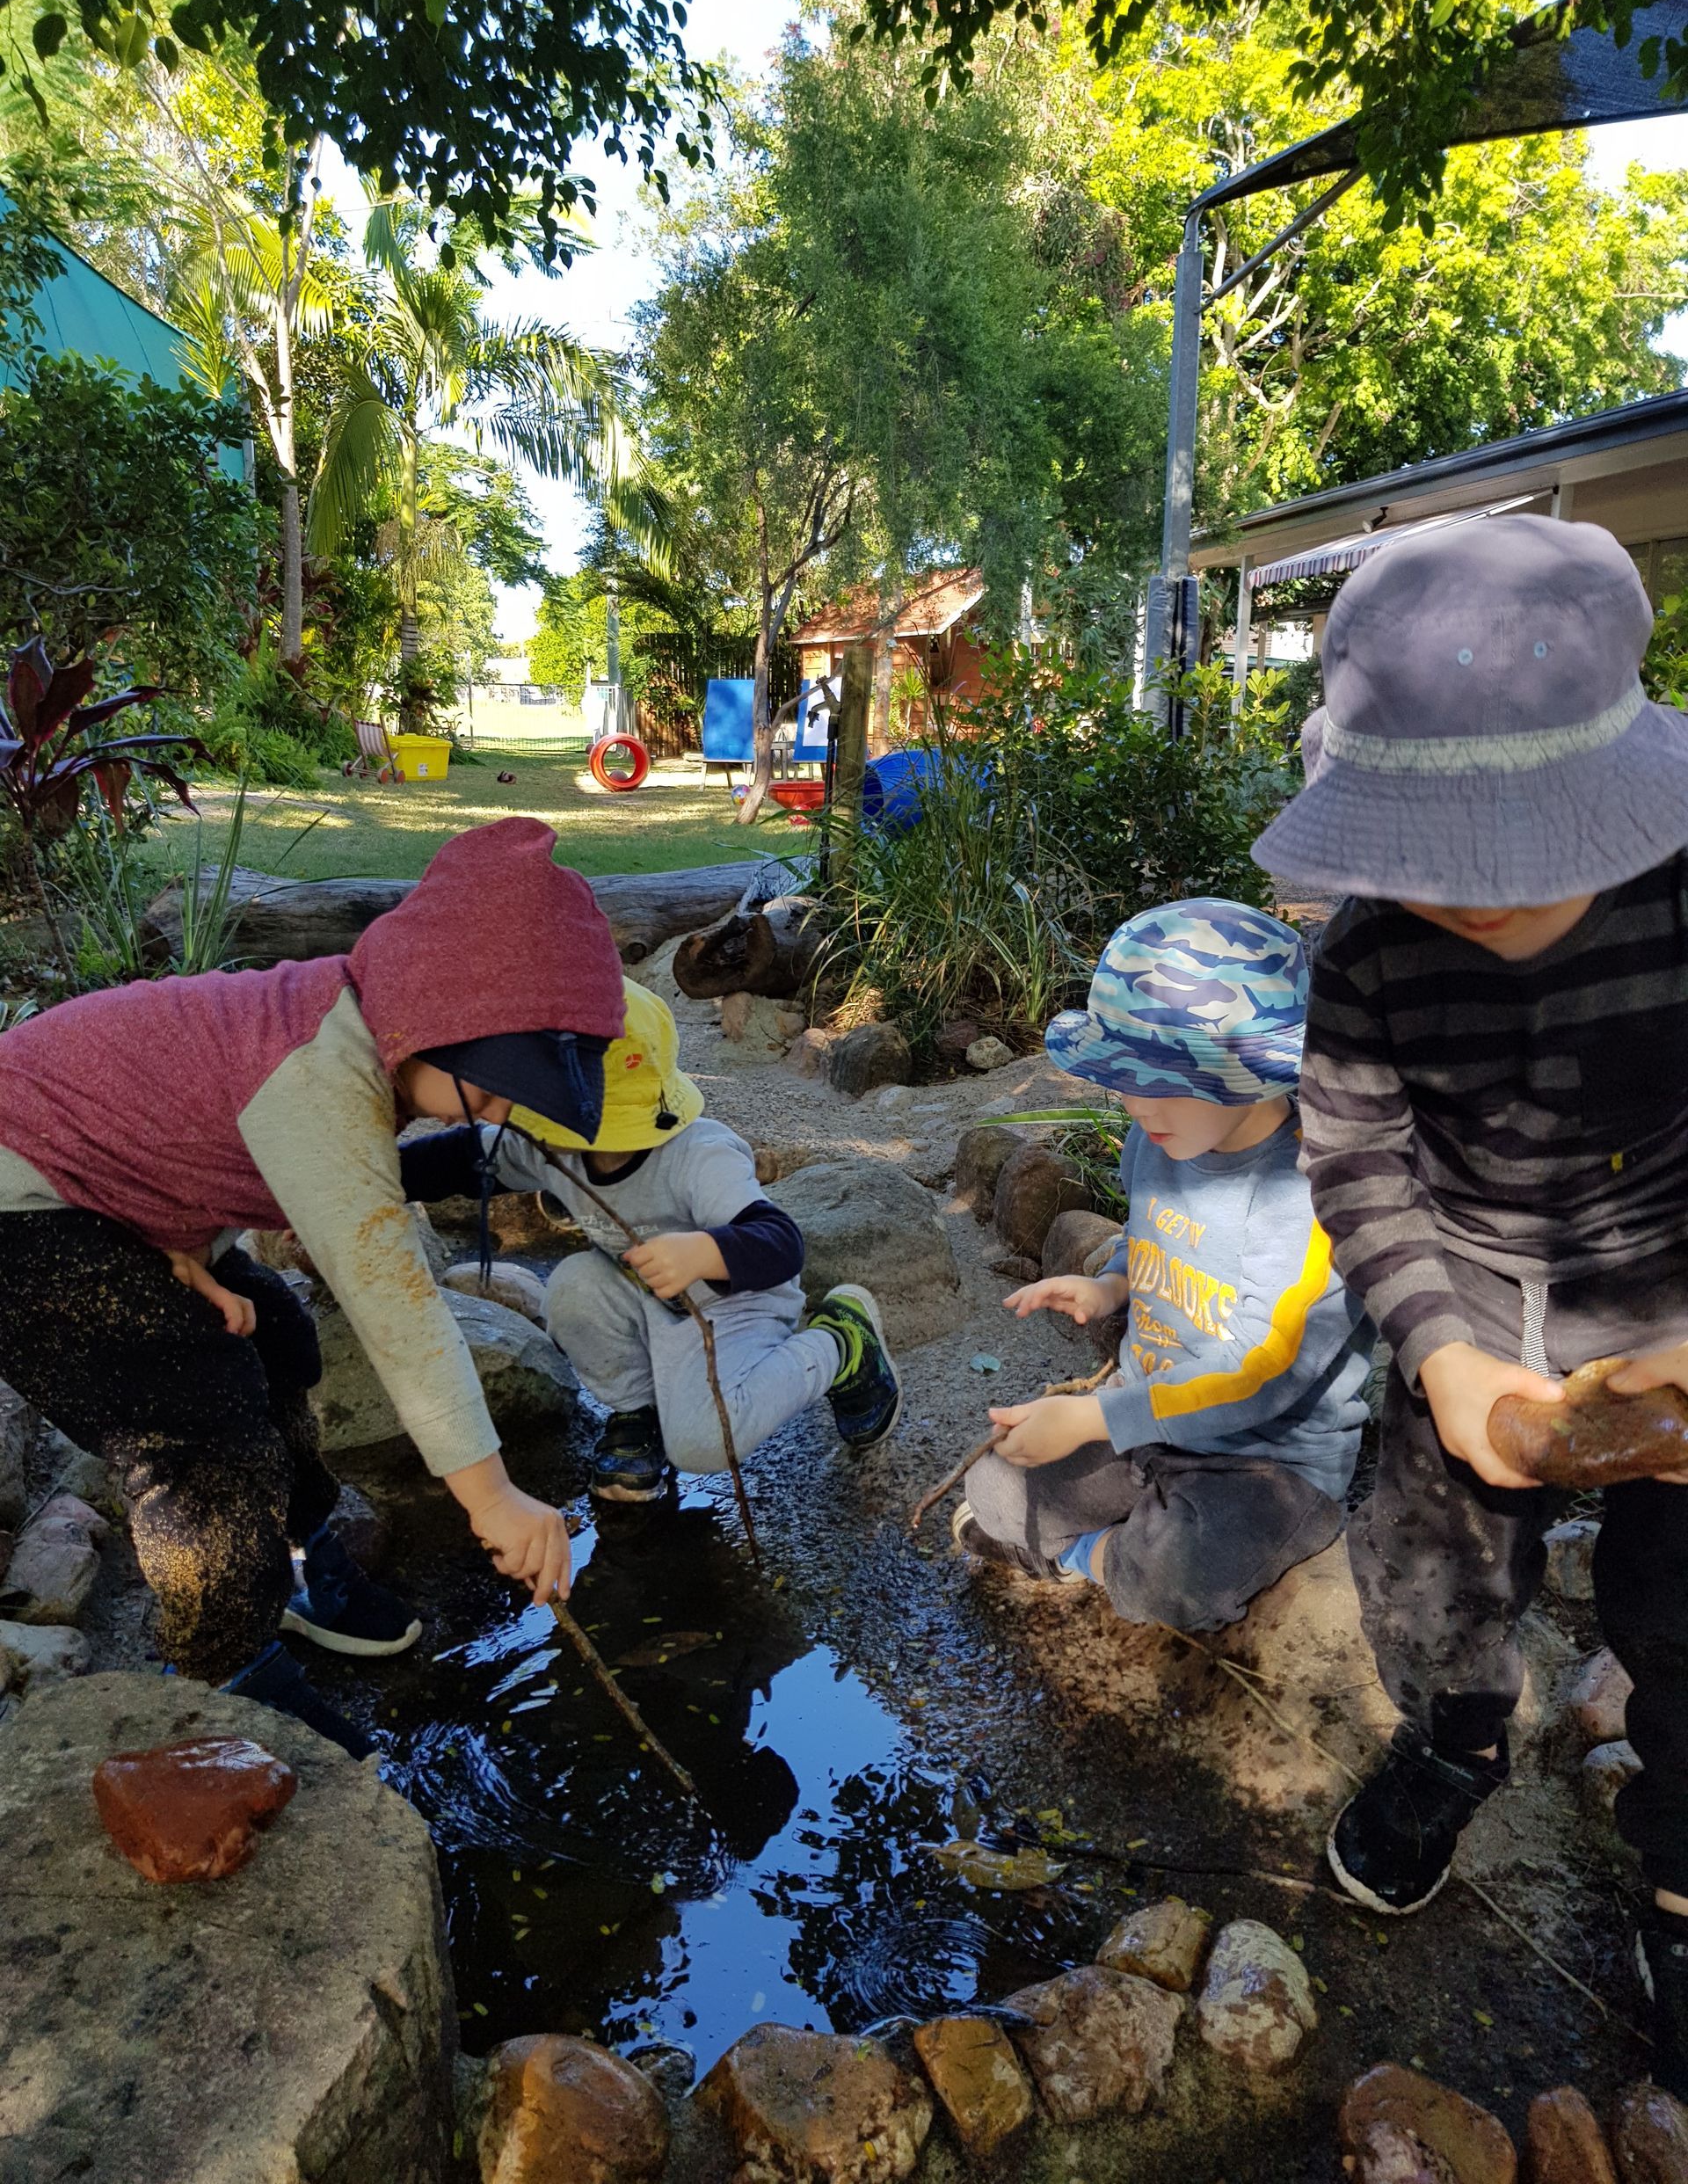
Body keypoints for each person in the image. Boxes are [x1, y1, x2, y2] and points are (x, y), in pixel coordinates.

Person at [1254, 513, 1688, 2093]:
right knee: (1429, 1564)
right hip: (1476, 1299)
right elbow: (1358, 1152)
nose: (1476, 898)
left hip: (1672, 1291)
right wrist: (1437, 1354)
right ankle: (1454, 1736)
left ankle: (1681, 1877)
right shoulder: (1369, 952)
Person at [0, 817, 624, 1755]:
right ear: (430, 1025)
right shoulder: (319, 1076)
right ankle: (221, 1671)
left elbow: (205, 1145)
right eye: (491, 1089)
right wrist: (491, 1496)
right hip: (24, 1209)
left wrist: (185, 1251)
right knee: (197, 1416)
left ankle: (295, 1562)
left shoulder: (353, 1023)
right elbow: (398, 1311)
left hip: (109, 1202)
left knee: (280, 1330)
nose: (499, 1108)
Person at [954, 899, 1373, 1629]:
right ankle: (1105, 1538)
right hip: (1148, 1415)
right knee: (996, 1484)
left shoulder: (1305, 1191)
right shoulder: (1161, 1136)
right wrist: (1112, 1281)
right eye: (1122, 1076)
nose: (1132, 1101)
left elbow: (1263, 1367)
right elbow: (1153, 1229)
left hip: (1264, 1459)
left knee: (1176, 1581)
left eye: (1161, 1079)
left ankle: (1096, 1559)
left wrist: (1096, 1417)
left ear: (1259, 1075)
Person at [401, 980, 903, 1503]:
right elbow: (458, 1159)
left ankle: (842, 1344)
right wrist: (369, 1177)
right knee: (570, 1287)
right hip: (644, 1298)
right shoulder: (551, 1145)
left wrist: (701, 1252)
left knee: (706, 1444)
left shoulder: (698, 1153)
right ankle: (638, 1416)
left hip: (736, 1309)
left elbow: (779, 1244)